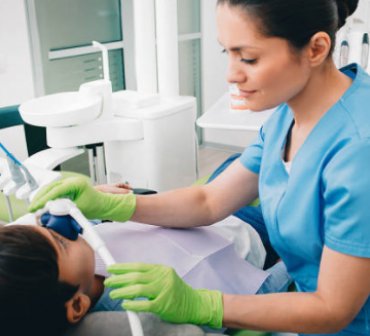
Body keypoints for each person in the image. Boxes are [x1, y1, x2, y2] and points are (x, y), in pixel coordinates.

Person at [29, 0, 370, 335]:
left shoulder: (357, 153)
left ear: (315, 49)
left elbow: (333, 308)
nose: (232, 75)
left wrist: (203, 305)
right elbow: (209, 201)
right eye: (228, 53)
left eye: (248, 57)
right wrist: (113, 205)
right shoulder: (290, 114)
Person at [0, 213, 287, 336]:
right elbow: (259, 299)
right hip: (252, 234)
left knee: (241, 163)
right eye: (60, 241)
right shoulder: (142, 315)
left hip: (201, 216)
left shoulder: (86, 245)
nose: (62, 230)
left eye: (45, 226)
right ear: (77, 306)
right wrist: (301, 260)